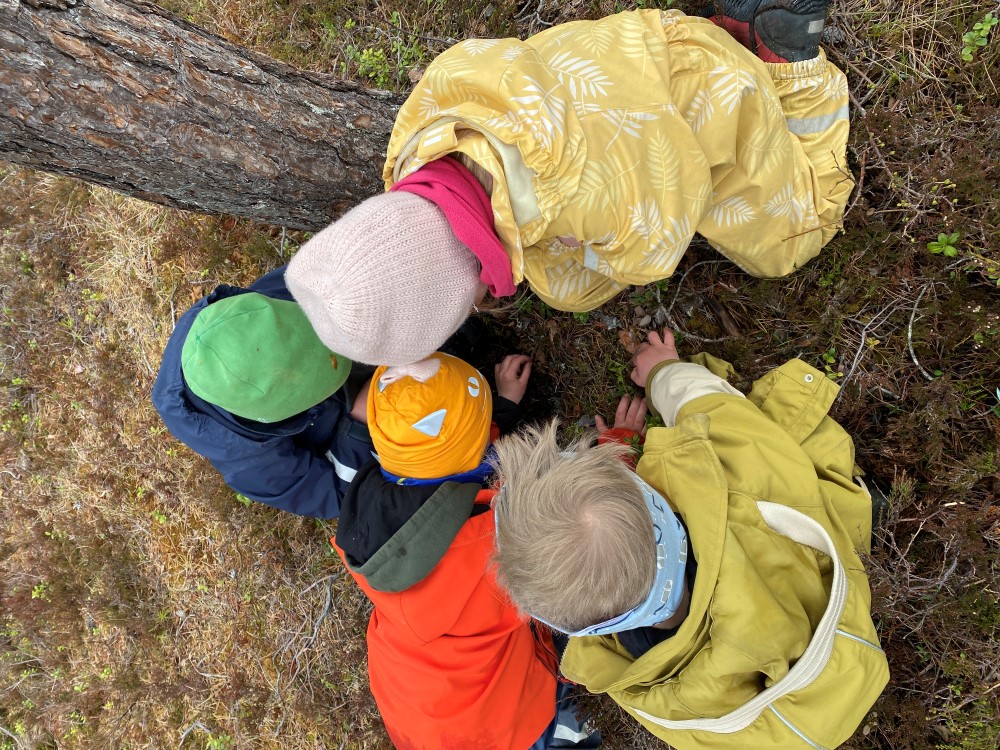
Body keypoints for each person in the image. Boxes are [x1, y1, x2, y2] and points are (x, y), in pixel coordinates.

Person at [286, 2, 853, 365]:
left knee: (792, 238)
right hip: (650, 48)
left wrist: (561, 272)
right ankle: (727, 29)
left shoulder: (592, 200)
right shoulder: (423, 122)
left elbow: (655, 246)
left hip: (723, 99)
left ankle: (785, 60)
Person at [489, 328, 890, 749]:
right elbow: (720, 413)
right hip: (842, 646)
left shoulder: (633, 680)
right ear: (659, 506)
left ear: (577, 628)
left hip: (788, 727)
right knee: (785, 457)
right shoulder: (740, 498)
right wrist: (663, 370)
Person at [331, 351, 600, 749]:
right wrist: (616, 451)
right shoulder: (497, 545)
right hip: (494, 728)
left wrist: (503, 409)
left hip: (419, 717)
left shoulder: (369, 512)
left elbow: (454, 471)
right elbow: (588, 542)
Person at [151, 266, 374, 518]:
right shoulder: (249, 459)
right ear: (272, 417)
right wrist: (359, 423)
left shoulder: (253, 313)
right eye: (318, 383)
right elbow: (339, 497)